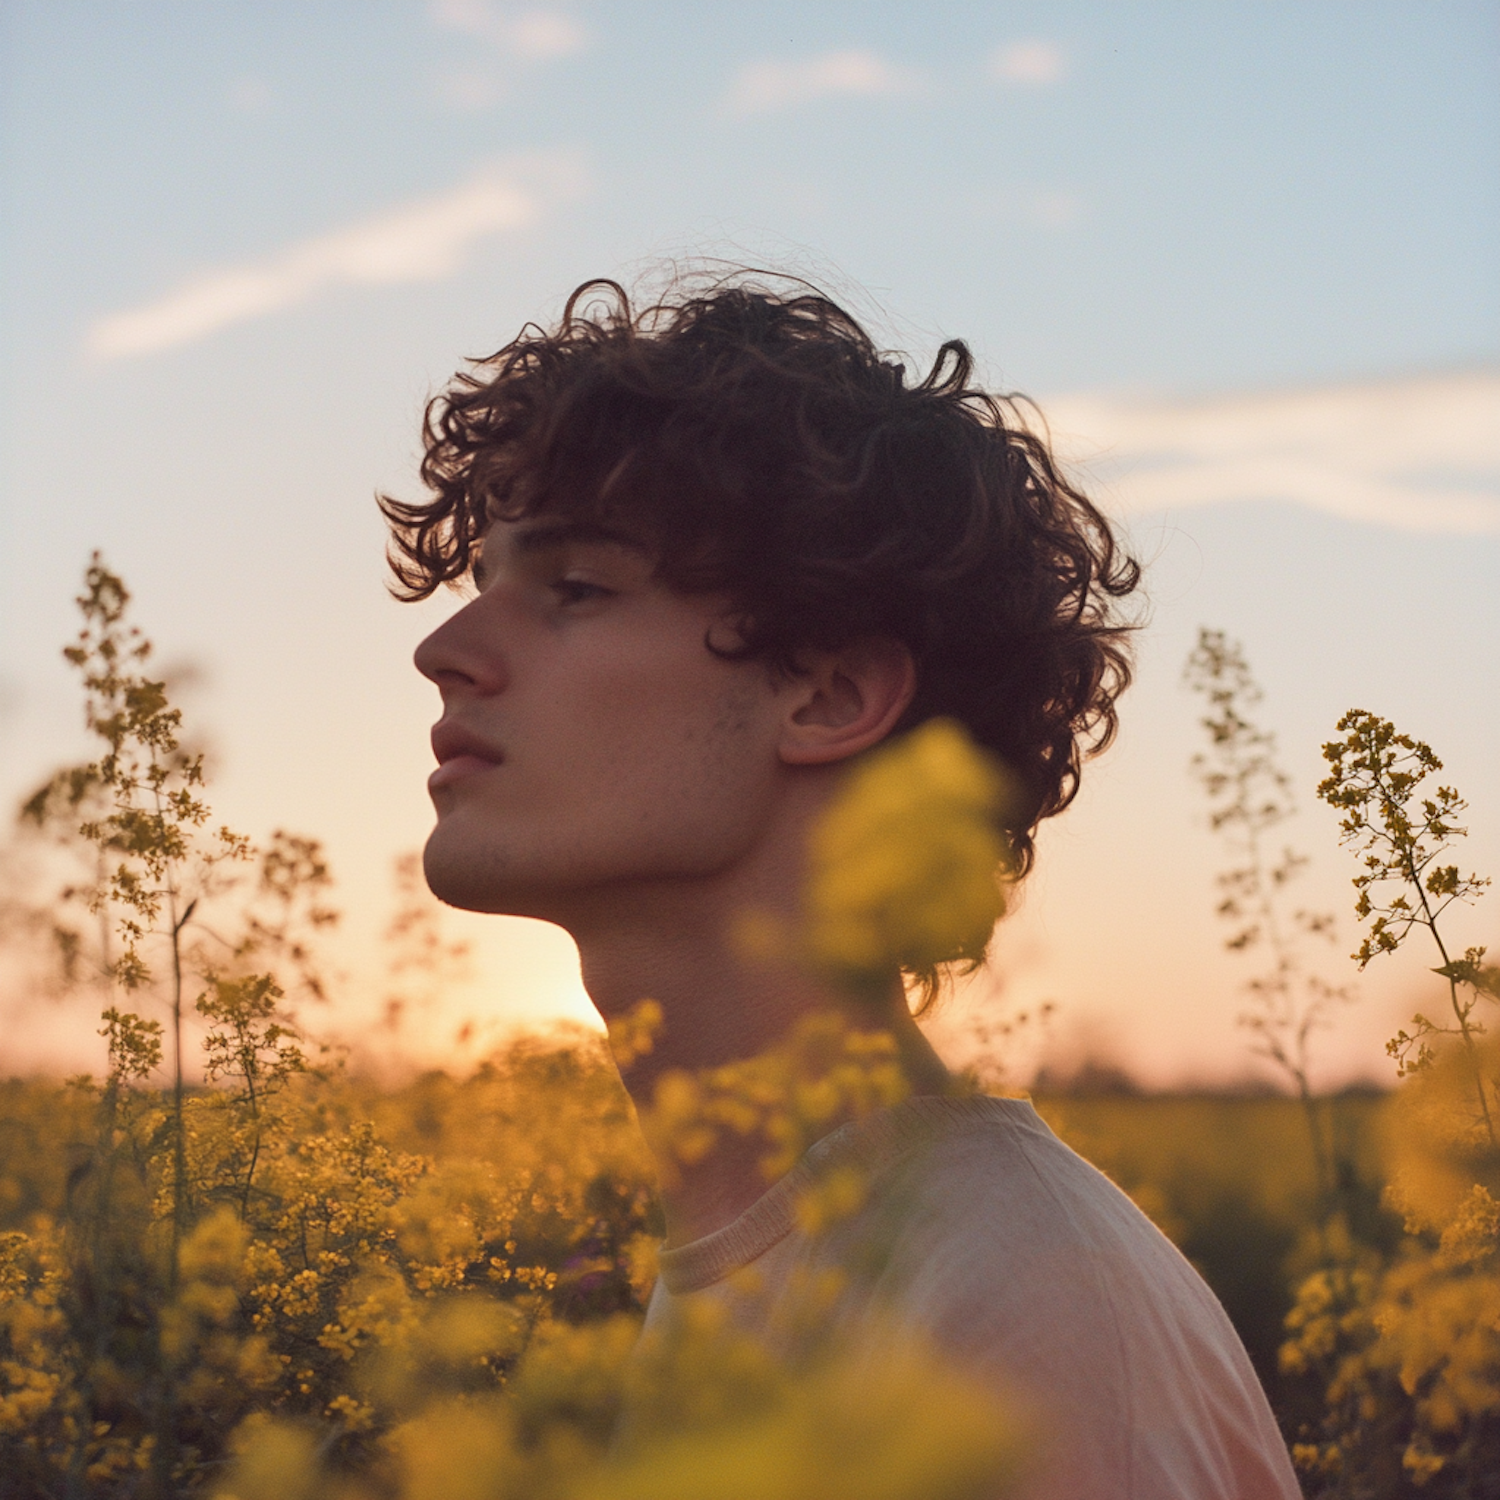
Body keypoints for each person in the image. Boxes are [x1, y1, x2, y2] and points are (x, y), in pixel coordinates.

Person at [382, 274, 1301, 1499]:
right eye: (480, 584)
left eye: (577, 590)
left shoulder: (1014, 1319)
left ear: (827, 695)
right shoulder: (756, 1265)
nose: (443, 653)